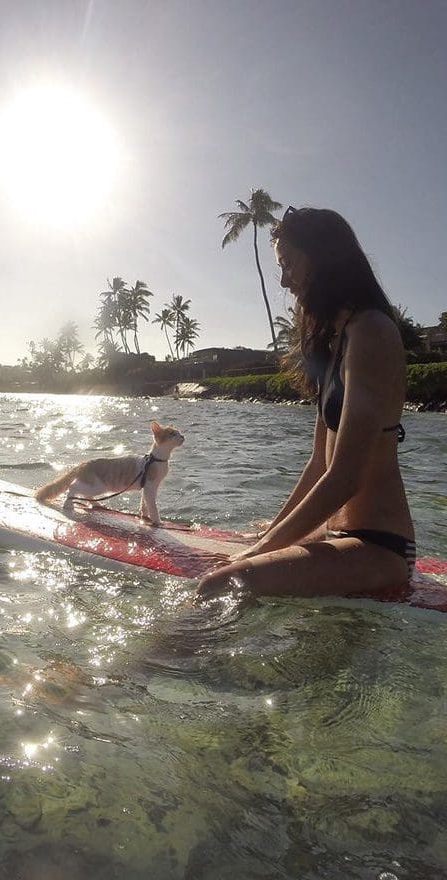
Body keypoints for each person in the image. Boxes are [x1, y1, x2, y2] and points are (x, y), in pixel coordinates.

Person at [198, 206, 415, 598]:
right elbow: (318, 464)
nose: (284, 280)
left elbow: (346, 477)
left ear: (324, 259)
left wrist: (262, 550)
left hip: (379, 545)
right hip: (336, 534)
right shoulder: (337, 342)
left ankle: (136, 664)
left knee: (222, 585)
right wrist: (271, 532)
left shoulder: (372, 332)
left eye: (289, 265)